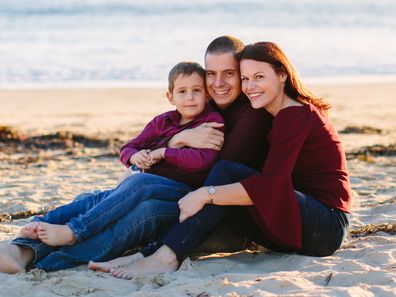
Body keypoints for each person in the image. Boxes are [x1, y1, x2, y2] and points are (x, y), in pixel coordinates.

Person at [0, 36, 272, 273]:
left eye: (228, 73)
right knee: (97, 198)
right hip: (173, 191)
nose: (218, 82)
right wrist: (173, 142)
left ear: (241, 72)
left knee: (140, 207)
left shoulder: (245, 115)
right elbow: (142, 143)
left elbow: (214, 169)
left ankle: (42, 258)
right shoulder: (201, 101)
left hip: (207, 210)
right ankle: (27, 243)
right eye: (211, 74)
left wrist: (162, 153)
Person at [107, 41, 352, 280]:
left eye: (259, 77)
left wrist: (206, 193)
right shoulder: (270, 114)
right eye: (245, 79)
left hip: (325, 224)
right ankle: (151, 253)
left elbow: (272, 186)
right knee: (222, 195)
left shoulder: (295, 115)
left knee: (225, 173)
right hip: (293, 214)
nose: (250, 86)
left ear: (282, 75)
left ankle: (165, 257)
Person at [16, 61, 223, 248]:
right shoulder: (162, 121)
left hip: (182, 190)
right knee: (101, 198)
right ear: (170, 97)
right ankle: (43, 221)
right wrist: (134, 157)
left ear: (207, 94)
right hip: (147, 183)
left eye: (197, 90)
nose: (190, 97)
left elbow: (202, 162)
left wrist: (164, 152)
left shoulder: (211, 122)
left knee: (138, 182)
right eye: (182, 91)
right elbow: (128, 148)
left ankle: (75, 231)